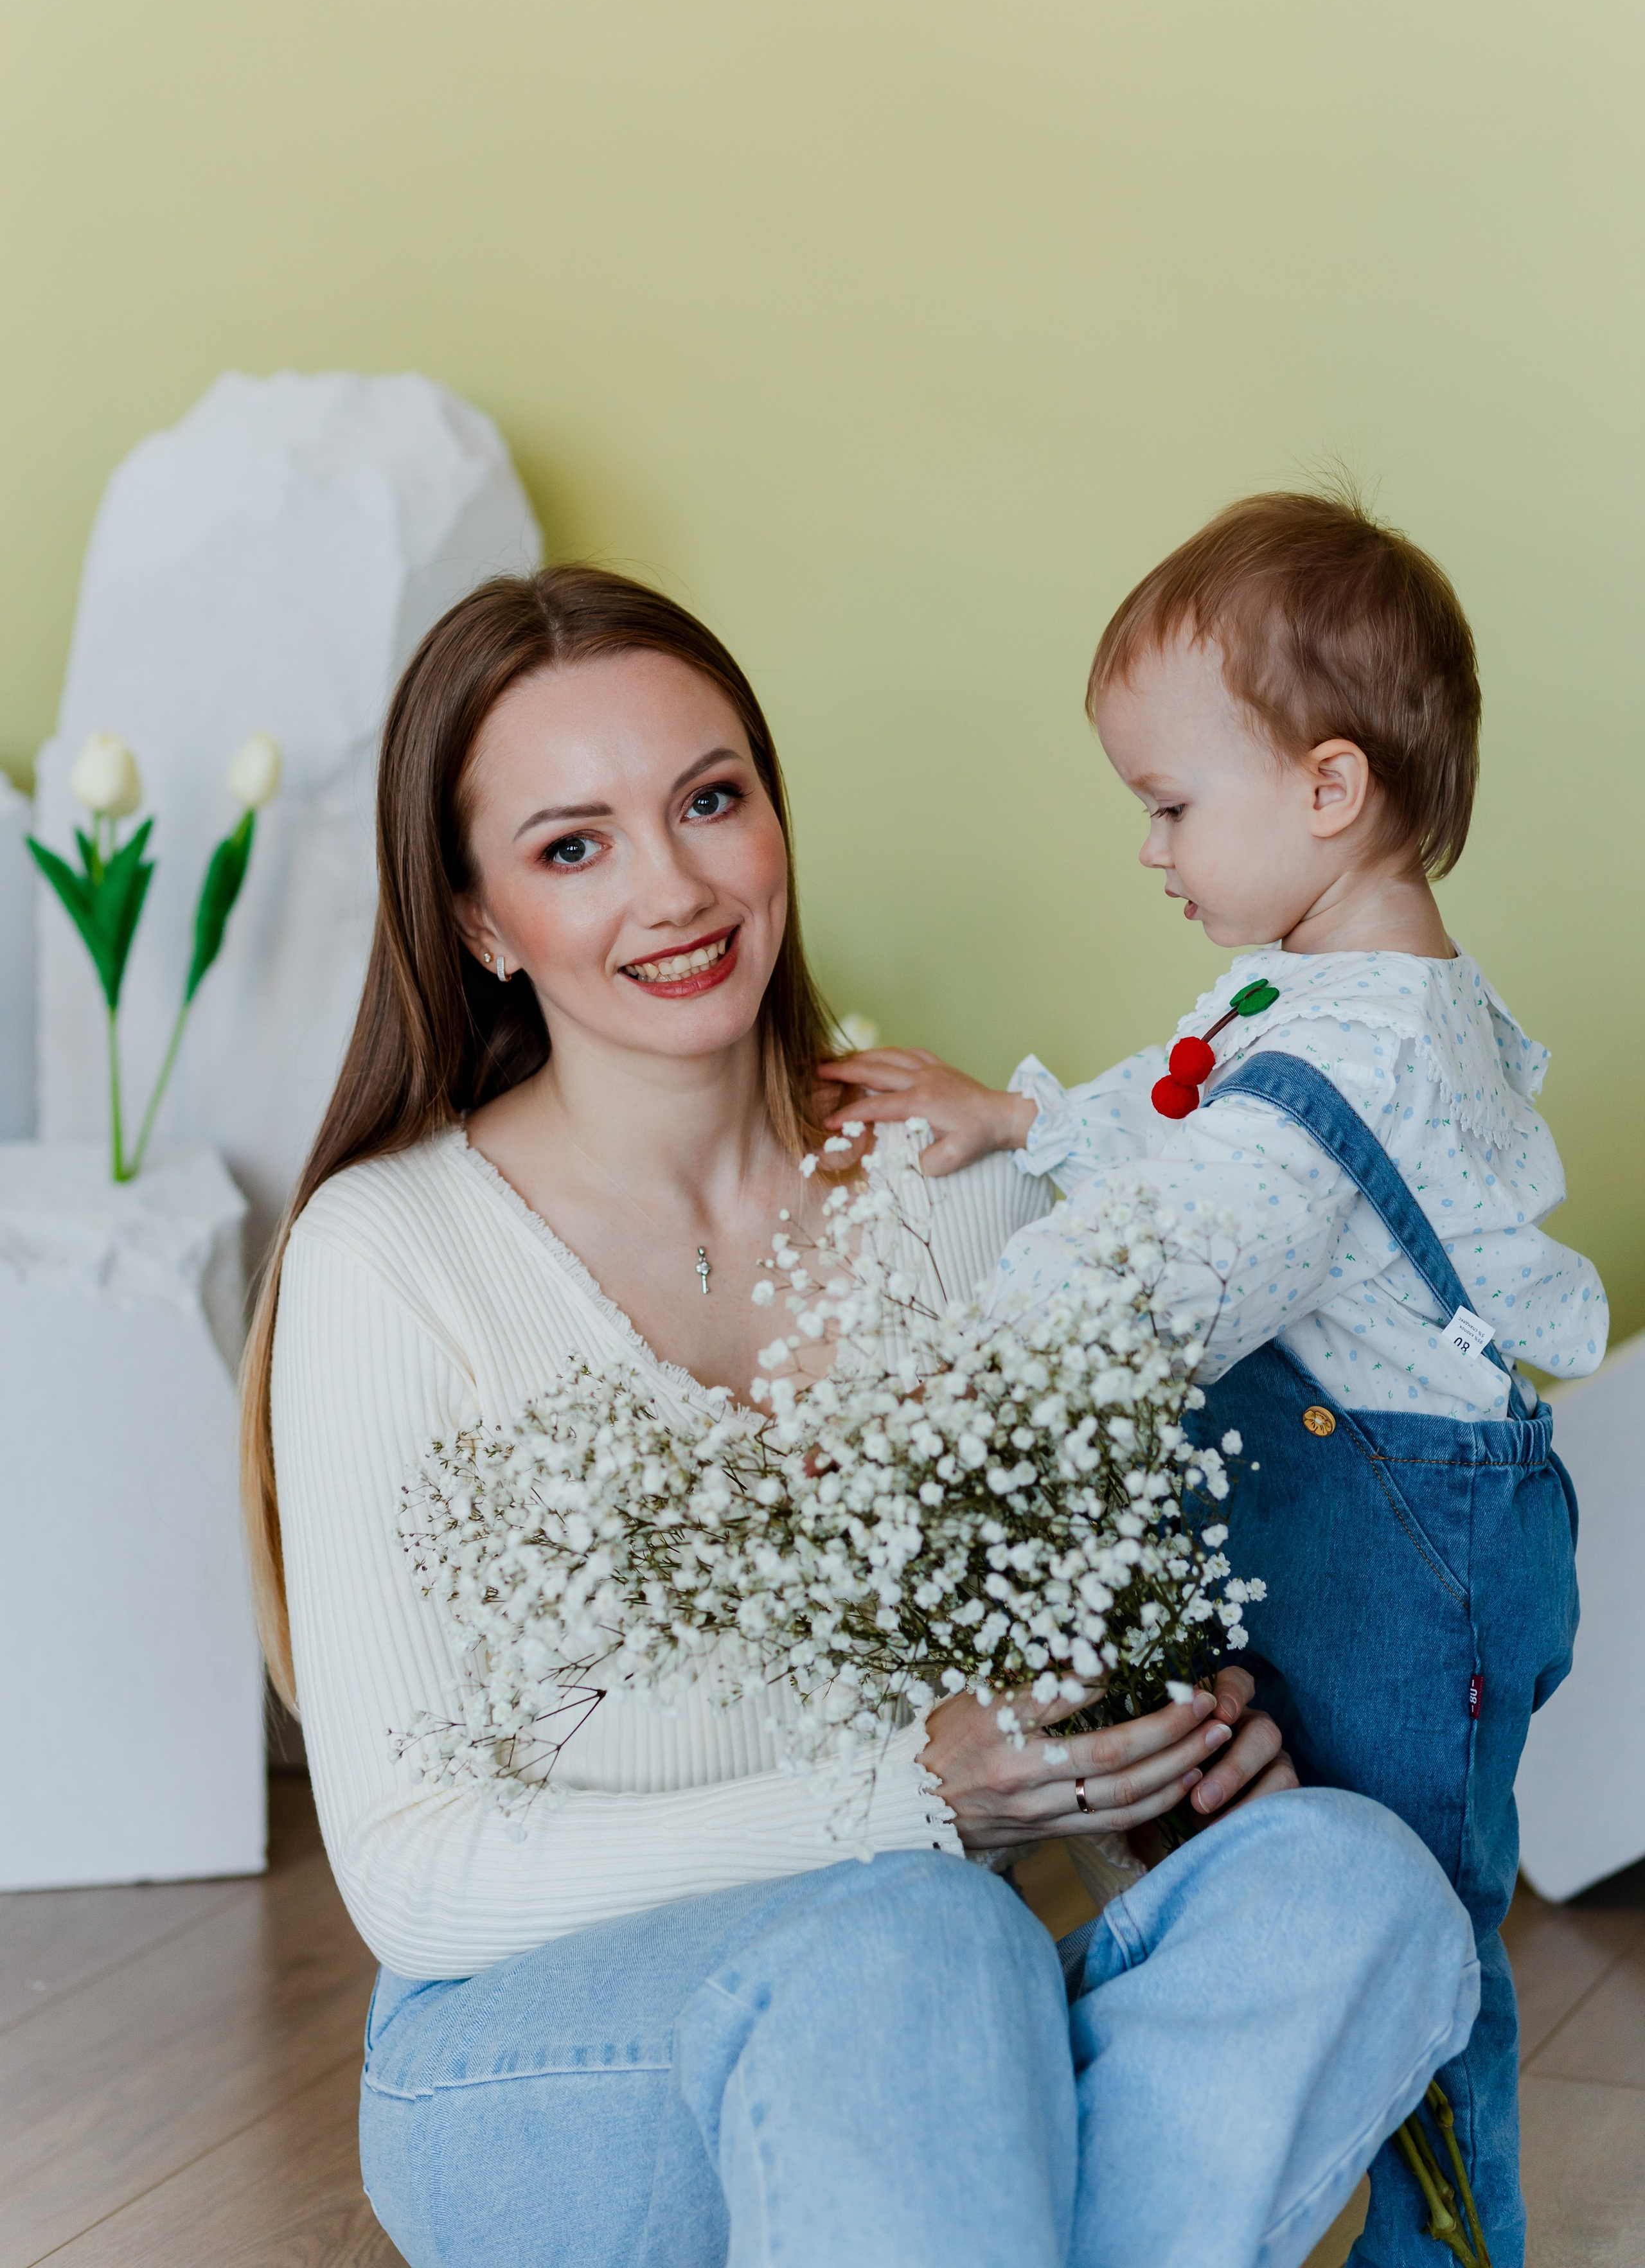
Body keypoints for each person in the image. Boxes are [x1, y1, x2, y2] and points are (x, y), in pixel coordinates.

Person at [243, 562, 1478, 2268]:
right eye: (573, 844)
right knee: (921, 1932)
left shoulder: (964, 1189)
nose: (674, 887)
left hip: (926, 2025)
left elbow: (1053, 1673)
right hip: (541, 2068)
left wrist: (1160, 1756)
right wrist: (916, 1800)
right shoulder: (392, 1254)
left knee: (1353, 1890)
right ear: (474, 921)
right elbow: (421, 1881)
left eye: (711, 800)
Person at [821, 490, 1602, 2268]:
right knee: (1288, 1876)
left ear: (1327, 792)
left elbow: (1159, 1267)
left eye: (1170, 806)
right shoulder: (1294, 991)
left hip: (1416, 1559)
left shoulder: (1372, 1057)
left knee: (1424, 1933)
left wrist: (942, 1397)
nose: (1150, 851)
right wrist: (1022, 1118)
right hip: (1341, 1521)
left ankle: (1448, 2249)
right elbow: (1178, 1107)